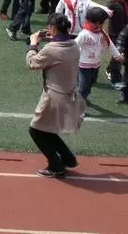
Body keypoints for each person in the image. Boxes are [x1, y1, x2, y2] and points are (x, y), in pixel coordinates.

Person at [25, 13, 84, 178]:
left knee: (36, 130)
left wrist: (33, 44)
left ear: (53, 28)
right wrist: (50, 39)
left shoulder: (51, 49)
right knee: (47, 129)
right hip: (69, 94)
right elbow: (60, 46)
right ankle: (68, 158)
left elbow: (32, 63)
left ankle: (56, 166)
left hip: (54, 97)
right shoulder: (73, 45)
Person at [74, 6, 123, 103]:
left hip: (96, 64)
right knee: (84, 86)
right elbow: (74, 45)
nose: (98, 25)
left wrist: (117, 56)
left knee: (91, 83)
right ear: (88, 21)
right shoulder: (84, 34)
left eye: (101, 23)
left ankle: (82, 97)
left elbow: (110, 44)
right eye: (95, 23)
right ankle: (79, 104)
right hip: (83, 65)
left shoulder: (102, 33)